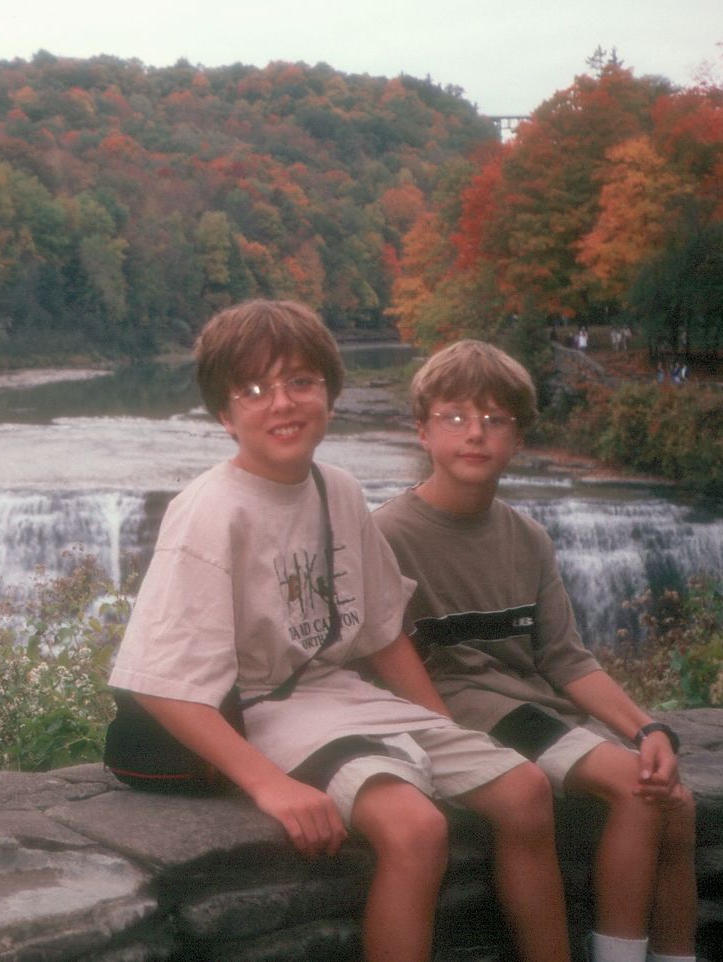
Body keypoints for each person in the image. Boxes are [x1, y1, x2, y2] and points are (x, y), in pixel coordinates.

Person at [109, 302, 570, 962]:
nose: (283, 404)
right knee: (416, 831)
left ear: (329, 391)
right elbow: (159, 685)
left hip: (344, 699)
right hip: (265, 713)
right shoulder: (210, 512)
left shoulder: (339, 491)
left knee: (525, 792)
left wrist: (443, 730)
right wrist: (269, 784)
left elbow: (383, 634)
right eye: (254, 389)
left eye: (301, 381)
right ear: (223, 414)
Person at [373, 340, 697, 962]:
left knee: (677, 804)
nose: (476, 435)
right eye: (456, 418)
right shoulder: (388, 535)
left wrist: (649, 726)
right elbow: (382, 663)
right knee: (638, 789)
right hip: (465, 715)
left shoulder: (529, 537)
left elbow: (566, 660)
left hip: (533, 709)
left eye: (496, 421)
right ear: (422, 431)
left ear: (517, 439)